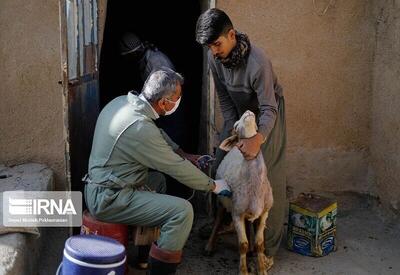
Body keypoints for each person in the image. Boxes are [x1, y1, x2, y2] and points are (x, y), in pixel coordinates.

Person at [84, 68, 231, 275]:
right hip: (109, 198)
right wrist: (213, 186)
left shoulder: (123, 104)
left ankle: (144, 258)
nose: (178, 103)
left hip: (108, 184)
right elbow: (175, 167)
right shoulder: (139, 127)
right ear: (163, 103)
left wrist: (183, 153)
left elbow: (158, 134)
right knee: (182, 212)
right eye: (177, 98)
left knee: (157, 181)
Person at [195, 8, 286, 270]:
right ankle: (225, 221)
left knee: (267, 174)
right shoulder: (215, 60)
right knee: (221, 162)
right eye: (209, 47)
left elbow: (269, 108)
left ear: (231, 35)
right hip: (238, 116)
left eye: (217, 44)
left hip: (268, 116)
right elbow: (226, 102)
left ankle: (266, 247)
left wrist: (258, 139)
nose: (213, 51)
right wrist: (232, 134)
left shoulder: (258, 63)